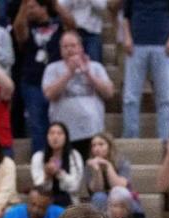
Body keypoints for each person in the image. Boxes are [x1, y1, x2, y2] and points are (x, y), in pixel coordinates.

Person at [41, 29, 114, 159]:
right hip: (64, 133)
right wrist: (69, 72)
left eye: (73, 46)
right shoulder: (52, 68)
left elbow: (109, 93)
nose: (69, 50)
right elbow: (49, 95)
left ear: (80, 47)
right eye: (65, 47)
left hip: (92, 131)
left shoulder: (95, 67)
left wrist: (88, 74)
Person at [121, 0, 169, 140]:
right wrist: (127, 37)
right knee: (130, 96)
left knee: (165, 98)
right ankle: (131, 138)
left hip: (163, 46)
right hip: (136, 45)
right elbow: (126, 16)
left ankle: (164, 139)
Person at [13, 0, 64, 152]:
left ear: (44, 8)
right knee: (37, 125)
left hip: (56, 82)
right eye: (27, 8)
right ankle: (40, 162)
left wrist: (55, 4)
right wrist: (23, 5)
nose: (29, 10)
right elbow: (18, 29)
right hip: (32, 82)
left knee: (58, 125)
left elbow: (72, 24)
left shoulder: (59, 25)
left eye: (33, 7)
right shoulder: (28, 27)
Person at [31, 121, 84, 207]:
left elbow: (75, 186)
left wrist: (59, 173)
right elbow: (38, 185)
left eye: (59, 133)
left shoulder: (74, 155)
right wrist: (47, 176)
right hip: (45, 199)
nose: (55, 137)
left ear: (66, 137)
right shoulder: (38, 156)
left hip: (68, 200)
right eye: (51, 133)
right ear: (47, 137)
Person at [0, 186, 65, 218]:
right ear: (27, 202)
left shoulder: (60, 215)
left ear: (49, 205)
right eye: (32, 204)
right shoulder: (12, 214)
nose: (35, 210)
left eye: (41, 207)